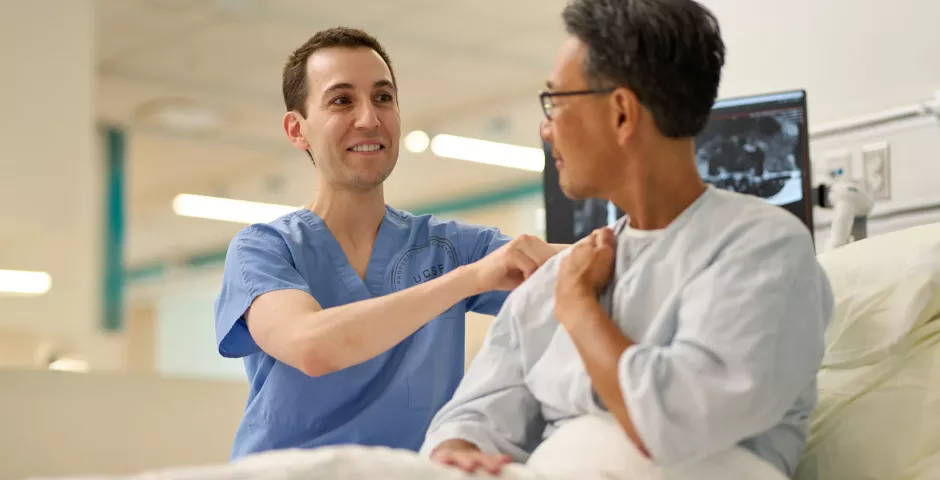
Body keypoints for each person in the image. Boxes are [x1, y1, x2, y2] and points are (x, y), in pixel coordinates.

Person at [421, 0, 833, 477]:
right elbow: (473, 414)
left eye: (555, 102)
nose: (545, 128)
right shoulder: (557, 277)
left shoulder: (762, 248)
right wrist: (458, 448)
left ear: (621, 113)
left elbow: (674, 422)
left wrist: (579, 310)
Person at [213, 27, 563, 460]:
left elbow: (581, 269)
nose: (369, 118)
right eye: (342, 100)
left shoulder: (447, 246)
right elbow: (313, 347)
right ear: (297, 129)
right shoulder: (264, 249)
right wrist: (466, 281)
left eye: (383, 97)